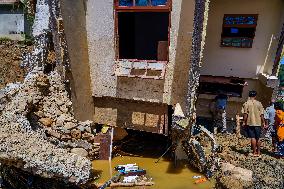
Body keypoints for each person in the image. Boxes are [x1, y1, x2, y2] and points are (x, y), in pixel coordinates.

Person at [241, 91, 266, 157]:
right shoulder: (259, 103)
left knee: (253, 138)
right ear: (255, 96)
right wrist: (263, 122)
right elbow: (262, 114)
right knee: (258, 138)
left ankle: (254, 152)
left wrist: (244, 122)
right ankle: (259, 152)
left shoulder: (246, 103)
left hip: (250, 123)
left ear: (249, 96)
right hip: (258, 123)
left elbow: (245, 114)